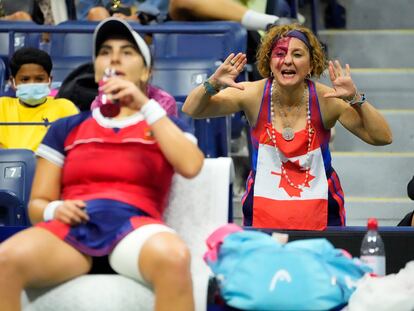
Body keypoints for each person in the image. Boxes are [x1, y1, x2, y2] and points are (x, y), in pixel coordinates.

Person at [0, 17, 204, 311]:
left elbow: (191, 165)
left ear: (146, 71)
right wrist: (55, 208)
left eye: (127, 51)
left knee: (174, 258)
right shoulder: (66, 128)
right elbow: (37, 205)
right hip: (73, 232)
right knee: (5, 260)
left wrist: (145, 106)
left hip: (134, 231)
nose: (114, 57)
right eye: (105, 51)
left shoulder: (163, 123)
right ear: (96, 68)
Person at [182, 23, 392, 230]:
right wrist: (213, 83)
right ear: (269, 62)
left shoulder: (326, 98)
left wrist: (356, 98)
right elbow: (192, 109)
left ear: (311, 64)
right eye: (280, 54)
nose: (288, 61)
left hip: (322, 212)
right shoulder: (252, 94)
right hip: (262, 212)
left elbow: (383, 137)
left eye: (298, 55)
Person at [0, 47, 79, 151]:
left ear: (50, 80)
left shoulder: (65, 108)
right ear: (13, 82)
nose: (32, 84)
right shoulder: (2, 106)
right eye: (25, 79)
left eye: (39, 79)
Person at [77, 0, 295, 31]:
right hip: (114, 32)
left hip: (168, 27)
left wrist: (142, 17)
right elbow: (83, 16)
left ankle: (274, 24)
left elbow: (167, 7)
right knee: (97, 15)